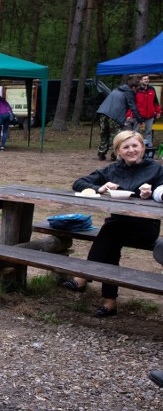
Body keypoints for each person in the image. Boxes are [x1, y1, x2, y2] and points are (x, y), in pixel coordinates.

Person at [62, 130, 163, 317]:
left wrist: (151, 195)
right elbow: (78, 183)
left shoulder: (156, 169)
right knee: (112, 240)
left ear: (143, 147)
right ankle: (109, 302)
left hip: (145, 227)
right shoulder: (112, 170)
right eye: (126, 147)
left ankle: (84, 275)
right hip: (118, 226)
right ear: (118, 151)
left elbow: (162, 193)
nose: (131, 150)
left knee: (110, 230)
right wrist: (100, 187)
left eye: (135, 145)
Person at [96, 79, 139, 161]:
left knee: (104, 133)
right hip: (114, 116)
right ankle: (114, 155)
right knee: (115, 135)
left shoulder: (116, 90)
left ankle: (101, 153)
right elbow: (133, 107)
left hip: (103, 112)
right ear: (133, 87)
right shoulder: (128, 92)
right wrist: (140, 119)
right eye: (136, 89)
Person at [133, 75, 160, 147]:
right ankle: (136, 147)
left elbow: (155, 101)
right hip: (139, 115)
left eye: (147, 79)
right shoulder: (137, 90)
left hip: (150, 115)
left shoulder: (152, 89)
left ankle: (149, 149)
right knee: (136, 132)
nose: (146, 80)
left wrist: (158, 112)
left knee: (148, 132)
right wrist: (130, 114)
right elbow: (132, 103)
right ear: (141, 81)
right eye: (145, 79)